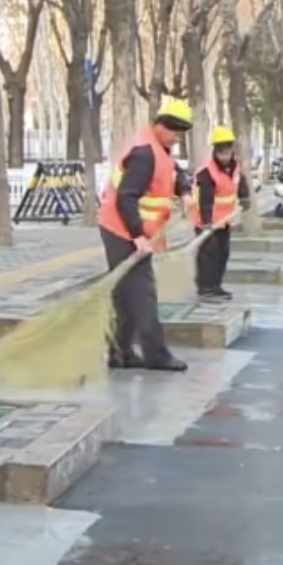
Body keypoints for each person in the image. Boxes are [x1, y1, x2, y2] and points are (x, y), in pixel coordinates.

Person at [97, 96, 193, 372]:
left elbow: (176, 173)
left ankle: (120, 353)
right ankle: (155, 354)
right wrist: (137, 235)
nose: (176, 138)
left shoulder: (160, 149)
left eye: (180, 133)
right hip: (122, 230)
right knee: (142, 292)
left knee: (126, 293)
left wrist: (185, 193)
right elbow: (126, 197)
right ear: (161, 124)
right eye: (174, 131)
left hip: (127, 229)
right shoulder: (144, 154)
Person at [191, 126, 246, 301]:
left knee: (223, 254)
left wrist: (245, 197)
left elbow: (240, 182)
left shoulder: (235, 167)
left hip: (224, 221)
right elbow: (205, 201)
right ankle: (206, 288)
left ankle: (216, 286)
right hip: (206, 222)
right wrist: (206, 223)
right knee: (209, 255)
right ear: (215, 151)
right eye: (221, 152)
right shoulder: (207, 173)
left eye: (227, 152)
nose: (225, 156)